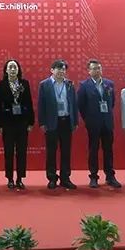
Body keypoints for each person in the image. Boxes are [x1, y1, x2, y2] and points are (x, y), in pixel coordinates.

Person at [76, 59, 120, 188]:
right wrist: (88, 119)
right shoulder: (84, 85)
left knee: (108, 150)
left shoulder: (109, 84)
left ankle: (110, 176)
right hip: (93, 123)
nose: (97, 71)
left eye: (99, 68)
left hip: (107, 122)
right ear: (89, 71)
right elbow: (81, 105)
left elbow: (112, 102)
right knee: (93, 150)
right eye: (94, 68)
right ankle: (93, 176)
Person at [36, 59, 77, 190]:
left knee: (66, 151)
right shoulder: (44, 85)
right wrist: (42, 122)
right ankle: (52, 178)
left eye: (64, 69)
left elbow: (74, 103)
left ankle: (65, 178)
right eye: (59, 69)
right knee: (51, 152)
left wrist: (75, 121)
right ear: (52, 70)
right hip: (51, 122)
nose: (61, 71)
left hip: (66, 121)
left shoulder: (69, 84)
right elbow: (41, 105)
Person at [0, 59, 34, 189]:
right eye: (10, 67)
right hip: (7, 123)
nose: (12, 69)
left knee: (21, 151)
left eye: (15, 67)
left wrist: (31, 122)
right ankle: (10, 178)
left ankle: (19, 178)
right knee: (9, 151)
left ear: (18, 70)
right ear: (6, 70)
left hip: (22, 122)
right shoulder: (1, 85)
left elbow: (29, 102)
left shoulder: (24, 83)